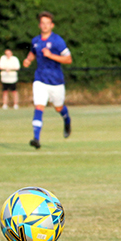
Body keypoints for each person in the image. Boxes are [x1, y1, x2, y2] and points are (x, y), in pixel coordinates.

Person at [23, 12, 72, 150]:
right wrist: (28, 60)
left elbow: (68, 59)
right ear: (39, 25)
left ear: (52, 25)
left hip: (56, 81)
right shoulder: (36, 40)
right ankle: (36, 139)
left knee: (58, 108)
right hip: (40, 79)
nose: (45, 26)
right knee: (39, 106)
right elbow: (33, 52)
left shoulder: (58, 41)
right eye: (42, 23)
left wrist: (51, 56)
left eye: (47, 23)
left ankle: (67, 120)